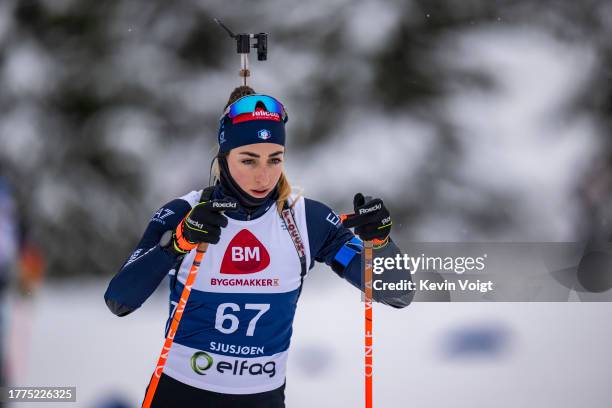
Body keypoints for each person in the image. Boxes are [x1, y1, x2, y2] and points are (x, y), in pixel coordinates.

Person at [104, 87, 414, 408]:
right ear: (224, 157)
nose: (264, 175)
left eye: (274, 159)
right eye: (248, 160)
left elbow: (398, 293)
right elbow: (120, 300)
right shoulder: (186, 213)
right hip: (182, 394)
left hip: (261, 399)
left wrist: (380, 242)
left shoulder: (306, 220)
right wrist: (178, 243)